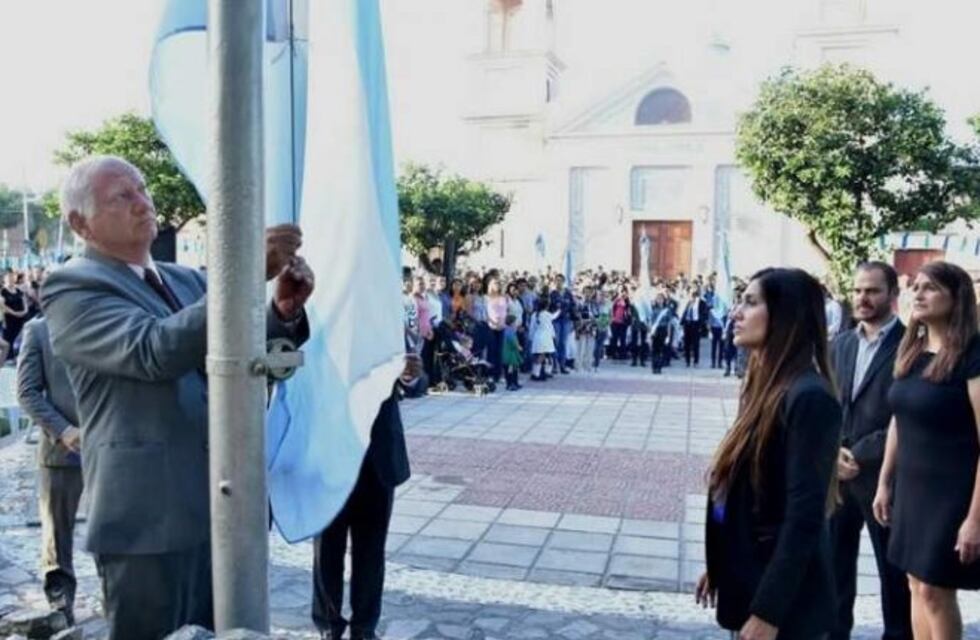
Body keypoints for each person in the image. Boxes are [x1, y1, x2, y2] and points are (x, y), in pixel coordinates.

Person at [41, 155, 314, 640]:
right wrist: (245, 275)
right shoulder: (72, 286)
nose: (143, 202)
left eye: (143, 189)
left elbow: (230, 348)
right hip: (147, 522)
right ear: (80, 222)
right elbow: (154, 350)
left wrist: (279, 310)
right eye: (122, 196)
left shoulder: (187, 279)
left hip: (221, 504)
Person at [697, 268, 841, 639]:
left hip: (784, 607)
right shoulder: (764, 386)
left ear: (784, 314)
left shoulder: (808, 397)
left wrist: (769, 611)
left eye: (750, 302)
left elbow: (803, 519)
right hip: (748, 576)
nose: (736, 313)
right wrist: (720, 562)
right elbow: (739, 490)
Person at [874, 261, 980, 639]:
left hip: (953, 496)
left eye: (930, 288)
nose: (917, 294)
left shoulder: (973, 354)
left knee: (935, 590)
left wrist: (975, 518)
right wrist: (885, 482)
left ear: (957, 298)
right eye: (915, 286)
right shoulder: (912, 351)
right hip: (912, 492)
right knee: (914, 585)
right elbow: (898, 421)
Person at [829, 262, 911, 640]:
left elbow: (906, 413)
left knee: (893, 576)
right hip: (837, 478)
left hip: (886, 479)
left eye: (873, 291)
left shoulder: (913, 346)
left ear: (892, 295)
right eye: (858, 290)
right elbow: (829, 403)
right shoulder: (841, 343)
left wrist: (859, 452)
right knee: (834, 569)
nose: (863, 298)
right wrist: (833, 452)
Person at [313, 356, 412, 640]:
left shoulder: (386, 317)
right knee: (327, 548)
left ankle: (364, 628)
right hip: (330, 452)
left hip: (378, 453)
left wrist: (409, 375)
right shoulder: (320, 316)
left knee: (371, 549)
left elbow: (413, 378)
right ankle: (328, 627)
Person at [16, 317, 83, 625]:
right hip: (62, 451)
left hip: (113, 448)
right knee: (57, 537)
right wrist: (63, 429)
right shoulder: (39, 330)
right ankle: (61, 612)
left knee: (116, 532)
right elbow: (27, 392)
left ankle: (119, 604)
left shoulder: (107, 321)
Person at [2, 270, 29, 360]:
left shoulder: (18, 290)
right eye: (8, 277)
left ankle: (18, 355)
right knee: (8, 338)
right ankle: (8, 358)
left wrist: (25, 310)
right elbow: (3, 306)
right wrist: (15, 313)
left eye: (12, 276)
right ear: (4, 278)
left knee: (20, 337)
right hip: (9, 318)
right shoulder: (3, 291)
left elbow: (24, 301)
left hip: (20, 318)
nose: (11, 278)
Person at [680, 287, 709, 367]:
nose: (692, 296)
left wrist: (701, 324)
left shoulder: (701, 303)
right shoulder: (688, 302)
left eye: (693, 294)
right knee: (687, 343)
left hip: (695, 324)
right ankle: (687, 361)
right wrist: (682, 322)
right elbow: (685, 312)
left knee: (695, 344)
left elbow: (704, 314)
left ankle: (696, 361)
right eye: (691, 294)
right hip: (687, 324)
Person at [502, 314, 523, 390]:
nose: (516, 324)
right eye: (515, 322)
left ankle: (513, 383)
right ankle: (511, 384)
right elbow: (512, 341)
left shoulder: (507, 330)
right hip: (510, 354)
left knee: (512, 369)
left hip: (509, 353)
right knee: (511, 370)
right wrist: (518, 347)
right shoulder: (509, 331)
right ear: (511, 323)